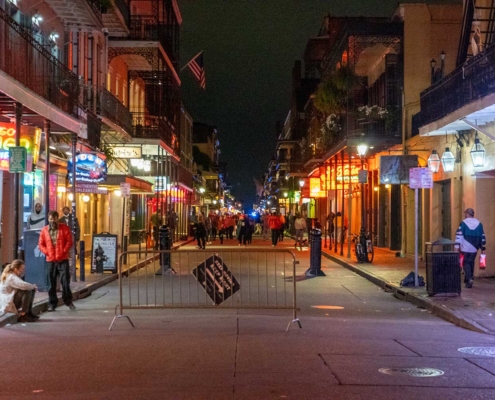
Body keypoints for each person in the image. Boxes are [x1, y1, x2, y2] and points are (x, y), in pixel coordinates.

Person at [38, 210, 76, 311]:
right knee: (51, 283)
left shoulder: (64, 228)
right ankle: (52, 304)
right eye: (50, 219)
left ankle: (68, 301)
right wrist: (47, 252)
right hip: (50, 260)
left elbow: (69, 241)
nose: (52, 221)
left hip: (62, 259)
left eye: (54, 219)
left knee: (65, 282)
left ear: (57, 219)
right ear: (48, 219)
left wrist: (64, 251)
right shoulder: (44, 230)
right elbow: (41, 244)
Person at [455, 208, 486, 288]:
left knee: (466, 263)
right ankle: (469, 280)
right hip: (475, 247)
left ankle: (469, 278)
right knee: (471, 262)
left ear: (467, 214)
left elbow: (459, 235)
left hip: (466, 246)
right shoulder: (479, 224)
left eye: (465, 213)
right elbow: (482, 236)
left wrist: (457, 246)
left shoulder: (463, 223)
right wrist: (482, 248)